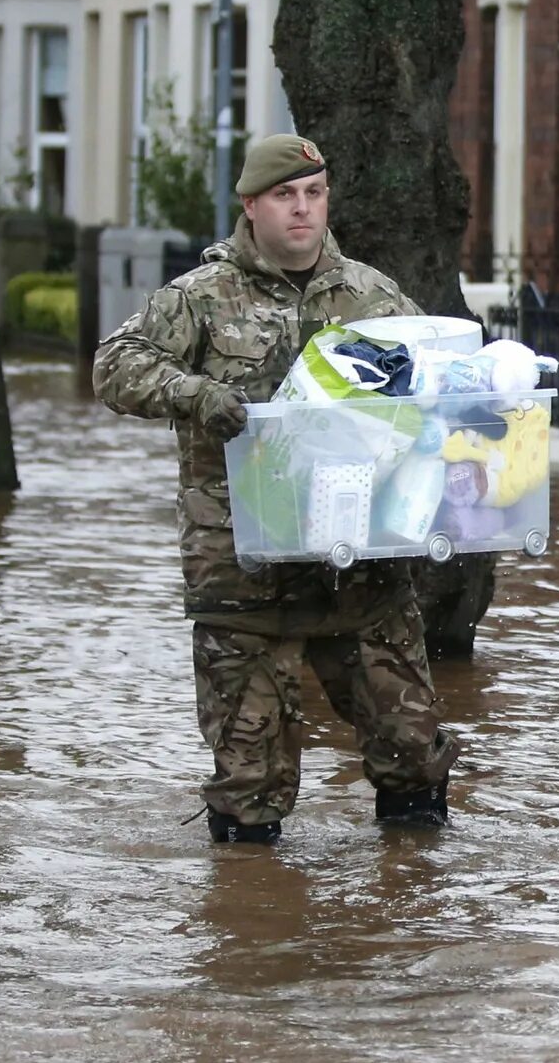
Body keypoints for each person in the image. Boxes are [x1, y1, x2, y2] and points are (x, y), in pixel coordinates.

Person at [94, 132, 460, 845]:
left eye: (314, 194)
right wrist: (194, 393)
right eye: (285, 196)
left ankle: (407, 926)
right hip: (245, 577)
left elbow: (443, 395)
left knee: (414, 756)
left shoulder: (375, 297)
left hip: (361, 570)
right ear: (251, 205)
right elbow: (114, 365)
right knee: (251, 786)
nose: (302, 210)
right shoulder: (198, 297)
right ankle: (252, 938)